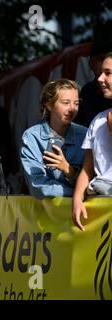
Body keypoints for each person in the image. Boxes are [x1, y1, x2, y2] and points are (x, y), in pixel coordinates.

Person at [20, 79, 87, 198]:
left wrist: (69, 171)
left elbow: (93, 182)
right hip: (44, 214)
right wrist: (77, 194)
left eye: (76, 103)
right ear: (49, 105)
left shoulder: (85, 135)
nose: (72, 109)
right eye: (66, 103)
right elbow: (38, 185)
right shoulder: (32, 137)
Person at [73, 53, 112, 231]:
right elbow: (87, 168)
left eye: (108, 73)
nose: (100, 78)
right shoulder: (98, 120)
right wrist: (77, 199)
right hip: (98, 209)